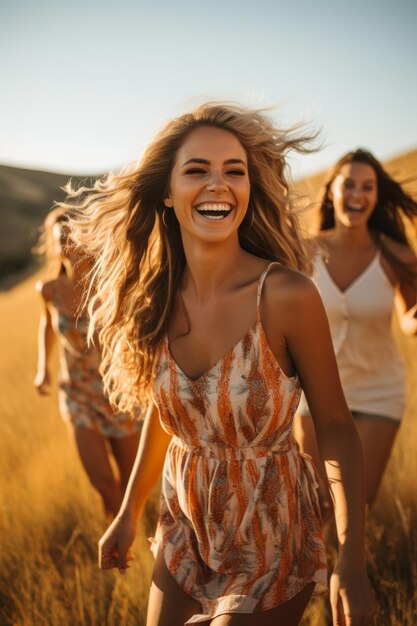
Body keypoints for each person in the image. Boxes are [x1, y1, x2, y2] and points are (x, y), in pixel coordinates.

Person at [69, 103, 375, 626]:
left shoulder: (285, 295)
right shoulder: (156, 299)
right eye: (197, 170)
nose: (218, 185)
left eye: (234, 171)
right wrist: (127, 513)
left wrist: (352, 554)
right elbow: (169, 422)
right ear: (168, 192)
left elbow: (335, 426)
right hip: (186, 521)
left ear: (249, 189)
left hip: (272, 525)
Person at [293, 148, 417, 509]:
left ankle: (347, 566)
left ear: (376, 197)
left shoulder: (396, 255)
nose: (357, 195)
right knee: (316, 503)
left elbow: (409, 317)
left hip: (380, 392)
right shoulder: (304, 252)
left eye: (367, 187)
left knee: (357, 504)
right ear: (332, 190)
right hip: (316, 393)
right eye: (349, 185)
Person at [34, 207, 142, 519]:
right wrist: (44, 368)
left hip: (119, 393)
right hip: (77, 394)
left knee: (131, 485)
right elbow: (47, 326)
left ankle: (130, 544)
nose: (68, 245)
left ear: (87, 237)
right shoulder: (49, 290)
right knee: (104, 482)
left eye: (73, 237)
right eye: (61, 240)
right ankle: (116, 543)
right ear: (54, 246)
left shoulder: (110, 285)